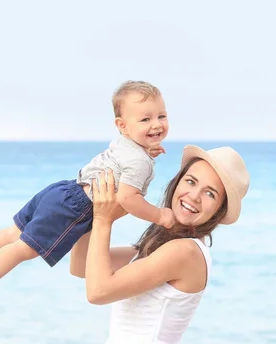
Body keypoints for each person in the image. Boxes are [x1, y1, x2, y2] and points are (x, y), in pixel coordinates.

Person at [0, 80, 175, 319]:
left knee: (13, 232)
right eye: (145, 120)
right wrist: (160, 216)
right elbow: (128, 198)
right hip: (78, 209)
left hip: (63, 191)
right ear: (123, 126)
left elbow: (123, 160)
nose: (156, 124)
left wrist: (147, 149)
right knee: (23, 249)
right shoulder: (139, 161)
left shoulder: (125, 144)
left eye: (161, 116)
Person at [70, 144, 250, 343]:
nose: (194, 196)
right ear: (177, 182)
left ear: (219, 211)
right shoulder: (159, 248)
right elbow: (81, 266)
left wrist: (103, 219)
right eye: (190, 182)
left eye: (210, 194)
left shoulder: (185, 252)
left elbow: (98, 292)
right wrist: (91, 204)